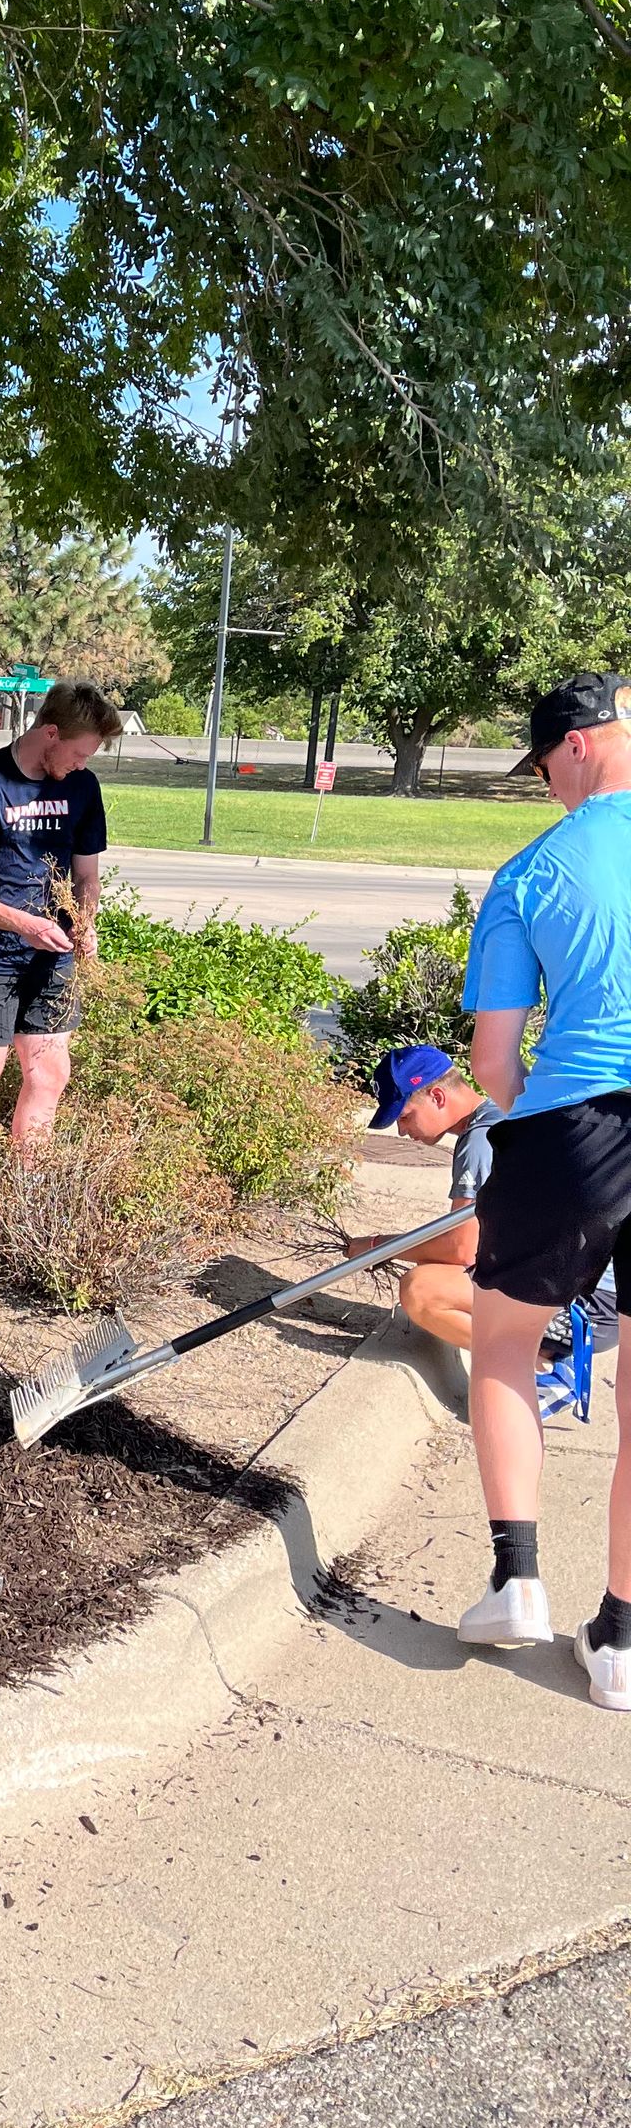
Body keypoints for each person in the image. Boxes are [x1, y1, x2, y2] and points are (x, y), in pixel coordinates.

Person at [453, 673, 631, 1708]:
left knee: (504, 1342)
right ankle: (619, 1643)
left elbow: (489, 1065)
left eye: (544, 771)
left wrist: (531, 1130)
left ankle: (515, 1580)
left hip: (576, 1127)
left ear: (569, 747)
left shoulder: (530, 871)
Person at [0, 680, 122, 1231]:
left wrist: (84, 922)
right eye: (79, 751)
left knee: (49, 1076)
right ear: (49, 733)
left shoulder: (83, 788)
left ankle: (27, 1193)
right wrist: (25, 924)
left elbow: (86, 874)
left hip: (52, 958)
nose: (84, 764)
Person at [357, 1041, 617, 1411]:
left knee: (422, 1289)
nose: (402, 1131)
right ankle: (538, 1353)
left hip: (585, 1305)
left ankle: (543, 1369)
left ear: (436, 1096)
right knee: (437, 1270)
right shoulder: (506, 1113)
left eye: (405, 1115)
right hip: (596, 1293)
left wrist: (376, 1247)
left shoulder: (482, 1140)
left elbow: (460, 1247)